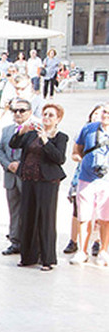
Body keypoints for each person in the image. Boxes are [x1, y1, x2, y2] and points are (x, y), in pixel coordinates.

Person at [11, 103, 68, 270]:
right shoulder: (31, 134)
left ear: (58, 119)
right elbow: (14, 144)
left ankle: (47, 258)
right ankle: (28, 256)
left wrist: (45, 140)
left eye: (51, 115)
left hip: (47, 181)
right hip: (29, 178)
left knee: (45, 219)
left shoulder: (60, 136)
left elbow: (59, 158)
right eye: (45, 114)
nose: (47, 118)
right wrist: (22, 131)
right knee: (27, 216)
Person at [70, 104, 109, 265]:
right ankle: (82, 251)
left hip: (106, 180)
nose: (106, 115)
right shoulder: (89, 129)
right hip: (86, 178)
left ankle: (103, 251)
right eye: (105, 112)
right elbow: (78, 148)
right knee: (84, 216)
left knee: (105, 218)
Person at [0, 99, 32, 256]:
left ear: (29, 112)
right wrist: (8, 164)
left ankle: (28, 242)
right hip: (10, 176)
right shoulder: (6, 130)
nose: (18, 113)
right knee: (14, 211)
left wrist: (20, 164)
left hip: (26, 176)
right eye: (15, 110)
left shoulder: (34, 130)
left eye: (22, 110)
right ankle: (15, 241)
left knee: (29, 210)